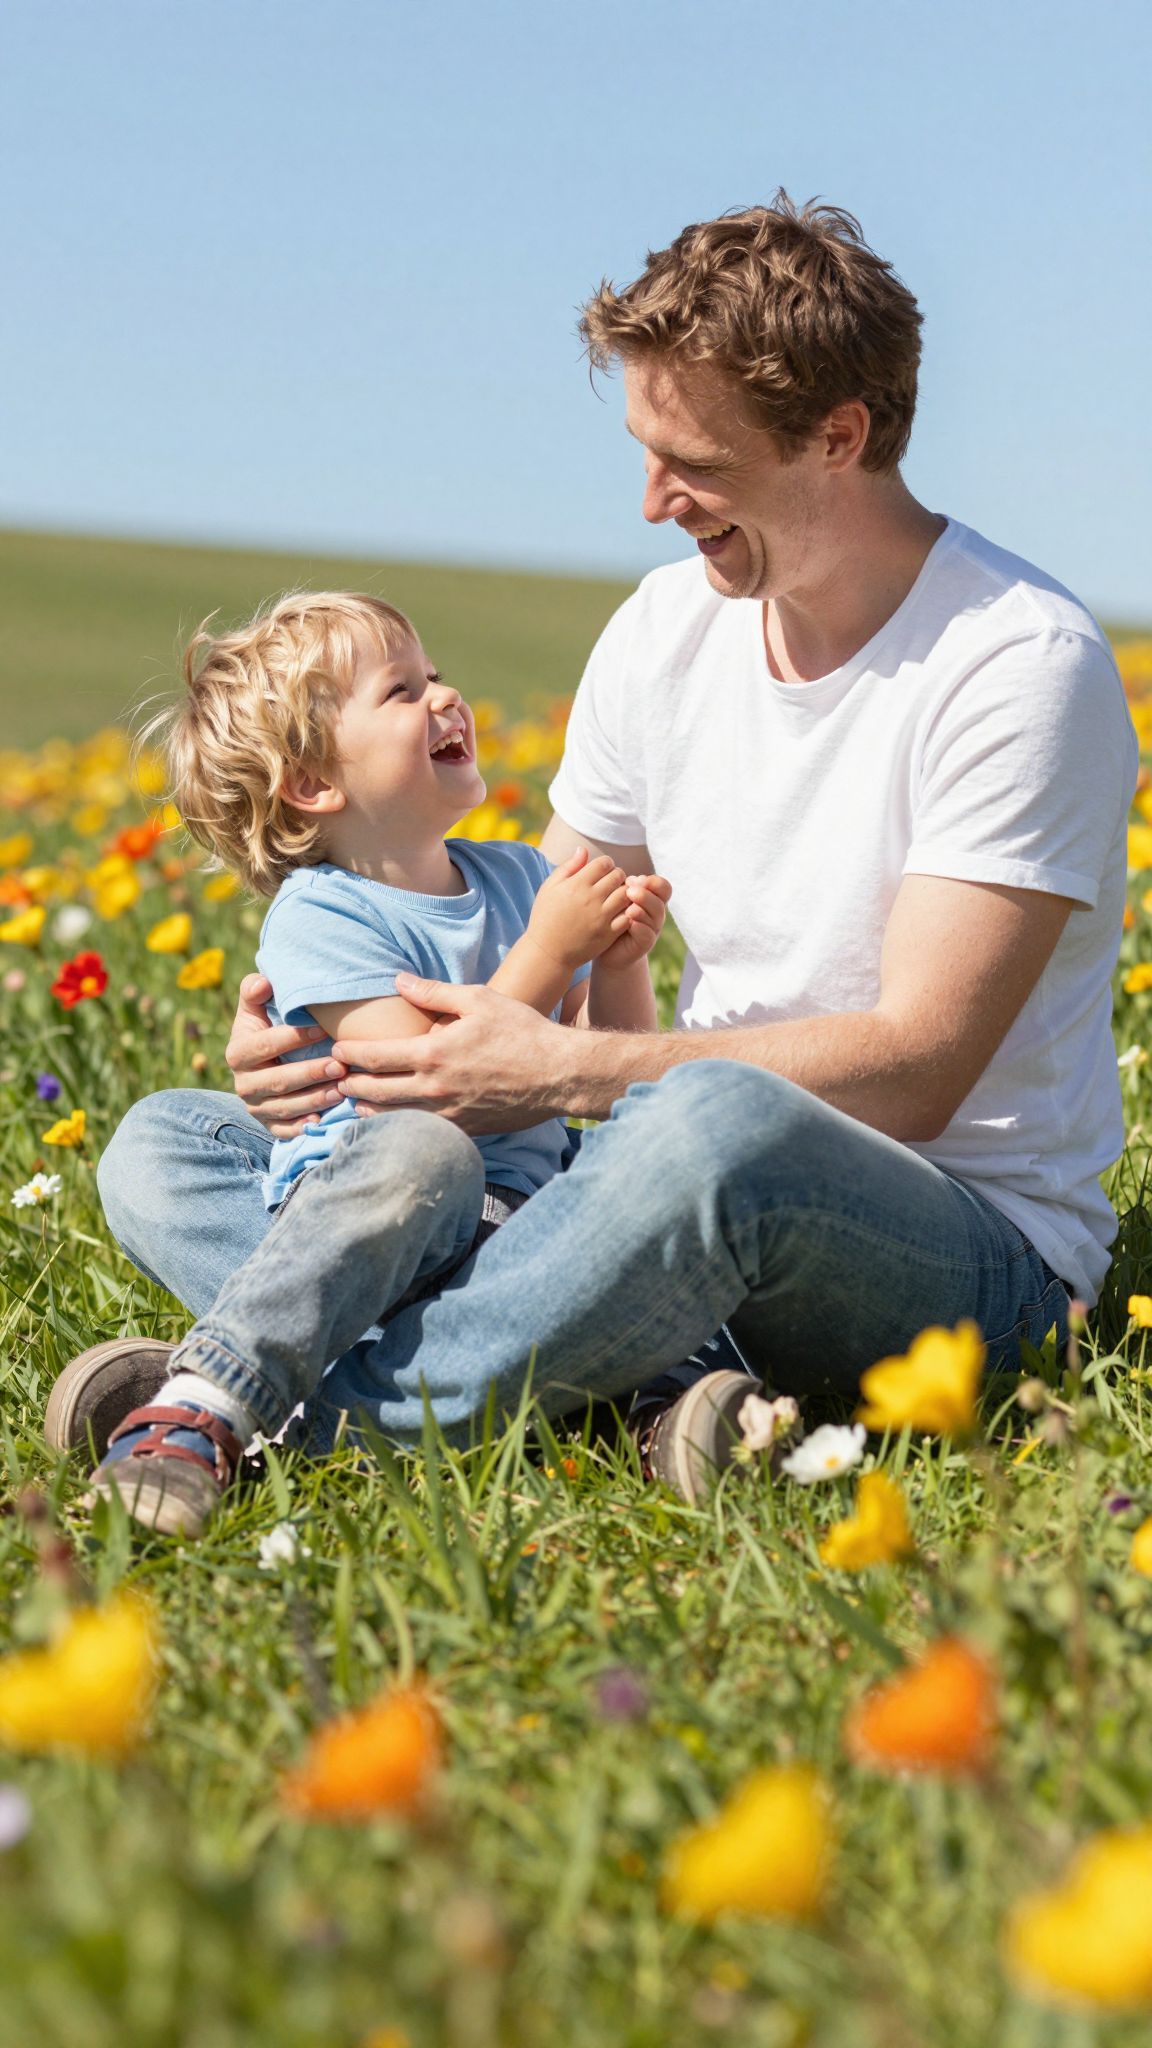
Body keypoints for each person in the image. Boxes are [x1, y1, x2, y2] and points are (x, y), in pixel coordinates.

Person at [64, 193, 1136, 1504]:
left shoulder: (1016, 662)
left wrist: (575, 1070)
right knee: (171, 1137)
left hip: (955, 1252)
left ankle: (254, 1392)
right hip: (646, 1169)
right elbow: (543, 942)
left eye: (693, 463)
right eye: (642, 449)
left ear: (839, 436)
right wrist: (336, 1052)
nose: (648, 502)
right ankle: (617, 1381)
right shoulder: (661, 631)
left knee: (722, 1124)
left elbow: (915, 1071)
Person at [56, 590, 673, 1534]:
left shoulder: (519, 877)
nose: (446, 697)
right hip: (374, 1219)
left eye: (433, 676)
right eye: (401, 690)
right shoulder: (322, 915)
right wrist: (550, 951)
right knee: (167, 1141)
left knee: (656, 1182)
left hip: (525, 1230)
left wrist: (619, 963)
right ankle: (223, 1399)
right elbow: (427, 1098)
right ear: (313, 783)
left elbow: (609, 1072)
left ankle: (253, 1396)